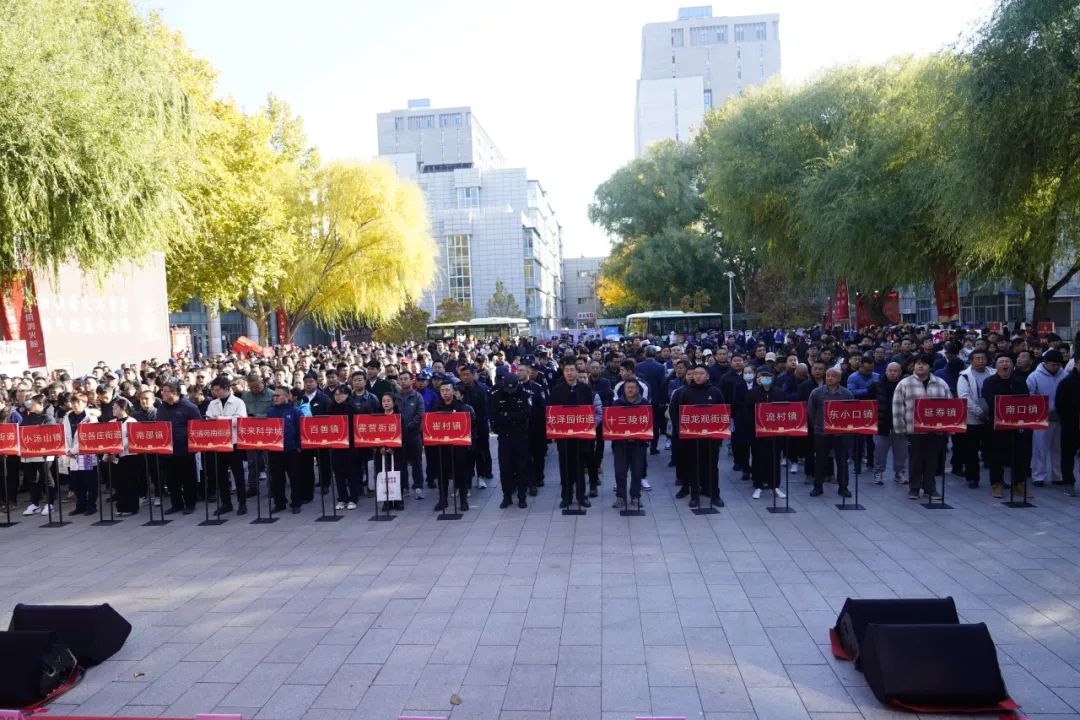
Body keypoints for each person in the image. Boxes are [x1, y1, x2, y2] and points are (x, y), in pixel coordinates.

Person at [892, 354, 951, 500]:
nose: (920, 366)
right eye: (917, 363)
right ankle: (914, 488)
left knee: (932, 461)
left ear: (930, 366)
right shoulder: (904, 383)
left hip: (935, 430)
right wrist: (900, 429)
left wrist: (949, 427)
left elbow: (949, 405)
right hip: (914, 430)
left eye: (924, 363)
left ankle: (930, 488)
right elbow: (898, 407)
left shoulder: (941, 383)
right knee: (915, 460)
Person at [669, 364, 726, 508]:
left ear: (707, 376)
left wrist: (720, 436)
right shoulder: (685, 392)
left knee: (712, 467)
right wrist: (680, 430)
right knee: (693, 466)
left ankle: (714, 494)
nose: (698, 376)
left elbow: (723, 413)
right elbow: (676, 413)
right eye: (695, 373)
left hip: (711, 438)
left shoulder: (716, 392)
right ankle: (694, 495)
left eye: (701, 373)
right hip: (691, 439)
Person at [983, 355, 1033, 499]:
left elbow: (1025, 398)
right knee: (996, 455)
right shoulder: (989, 382)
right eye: (1001, 362)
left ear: (1012, 365)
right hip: (997, 423)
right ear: (996, 366)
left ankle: (1018, 484)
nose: (1005, 364)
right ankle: (996, 484)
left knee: (1020, 454)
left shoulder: (1019, 381)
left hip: (1017, 423)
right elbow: (990, 400)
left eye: (1007, 361)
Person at [549, 362, 594, 509]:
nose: (569, 373)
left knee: (580, 466)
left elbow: (589, 412)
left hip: (581, 436)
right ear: (563, 373)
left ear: (577, 372)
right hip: (564, 436)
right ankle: (566, 497)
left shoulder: (585, 389)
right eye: (566, 370)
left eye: (572, 370)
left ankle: (581, 496)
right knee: (565, 466)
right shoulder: (557, 390)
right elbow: (552, 413)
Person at [204, 376, 249, 516]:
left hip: (234, 442)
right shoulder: (213, 403)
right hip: (218, 443)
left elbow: (240, 419)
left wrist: (221, 419)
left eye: (218, 390)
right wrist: (217, 421)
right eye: (214, 390)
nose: (216, 392)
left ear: (227, 389)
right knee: (221, 475)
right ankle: (226, 503)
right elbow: (208, 418)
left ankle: (242, 503)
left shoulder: (238, 402)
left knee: (238, 474)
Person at [157, 380, 203, 514]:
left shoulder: (189, 407)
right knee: (171, 479)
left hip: (185, 449)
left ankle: (190, 503)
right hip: (167, 449)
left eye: (165, 391)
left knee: (188, 479)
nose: (162, 394)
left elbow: (197, 427)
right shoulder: (162, 408)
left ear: (174, 392)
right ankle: (176, 504)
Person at [808, 368, 854, 498]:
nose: (830, 378)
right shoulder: (817, 392)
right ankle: (818, 487)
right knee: (820, 461)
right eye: (828, 375)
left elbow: (851, 411)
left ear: (839, 378)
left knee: (842, 462)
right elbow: (811, 411)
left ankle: (843, 487)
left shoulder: (847, 394)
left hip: (841, 433)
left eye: (833, 376)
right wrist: (818, 426)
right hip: (822, 433)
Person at [429, 381, 474, 512]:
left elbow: (469, 425)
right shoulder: (436, 407)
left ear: (453, 391)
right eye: (442, 390)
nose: (445, 393)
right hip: (441, 446)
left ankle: (463, 500)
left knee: (461, 473)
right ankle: (443, 500)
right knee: (442, 474)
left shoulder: (461, 407)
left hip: (458, 446)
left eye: (448, 390)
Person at [490, 374, 531, 509]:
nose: (510, 392)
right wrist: (512, 417)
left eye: (512, 389)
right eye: (507, 389)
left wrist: (507, 415)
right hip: (504, 437)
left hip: (520, 436)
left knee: (521, 468)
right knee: (505, 468)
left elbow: (526, 414)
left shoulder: (525, 394)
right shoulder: (496, 395)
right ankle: (506, 496)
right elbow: (495, 416)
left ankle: (522, 496)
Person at [746, 368, 787, 500]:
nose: (765, 380)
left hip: (776, 433)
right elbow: (747, 412)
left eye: (768, 377)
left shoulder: (780, 393)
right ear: (758, 379)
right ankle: (758, 485)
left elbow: (784, 411)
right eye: (762, 377)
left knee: (775, 459)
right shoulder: (752, 393)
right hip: (758, 433)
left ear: (773, 379)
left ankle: (775, 486)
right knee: (758, 458)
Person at [1027, 349, 1065, 487]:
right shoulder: (1034, 376)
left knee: (1058, 448)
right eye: (1052, 365)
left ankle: (1058, 475)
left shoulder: (1064, 375)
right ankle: (1038, 476)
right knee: (1039, 448)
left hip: (1060, 417)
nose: (1055, 367)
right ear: (1045, 363)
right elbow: (1029, 395)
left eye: (1058, 365)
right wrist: (1042, 409)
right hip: (1041, 417)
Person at [610, 377, 649, 509]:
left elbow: (649, 423)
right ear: (624, 389)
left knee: (637, 472)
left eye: (633, 387)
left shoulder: (644, 403)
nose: (630, 390)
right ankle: (620, 497)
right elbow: (612, 423)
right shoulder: (617, 404)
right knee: (620, 471)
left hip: (639, 444)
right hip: (621, 444)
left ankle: (635, 497)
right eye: (628, 387)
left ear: (637, 389)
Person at [957, 349, 991, 488]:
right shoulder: (964, 376)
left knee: (994, 449)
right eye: (977, 358)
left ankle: (998, 480)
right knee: (971, 450)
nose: (981, 361)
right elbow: (964, 397)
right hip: (972, 418)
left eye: (983, 358)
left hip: (992, 417)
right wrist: (979, 412)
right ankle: (972, 477)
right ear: (971, 361)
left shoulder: (993, 372)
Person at [267, 386, 304, 513]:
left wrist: (299, 446)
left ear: (287, 396)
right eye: (274, 395)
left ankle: (296, 503)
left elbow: (301, 430)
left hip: (292, 450)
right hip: (275, 450)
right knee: (277, 478)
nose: (275, 398)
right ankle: (279, 503)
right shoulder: (271, 412)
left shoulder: (296, 411)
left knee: (294, 477)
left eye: (278, 395)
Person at [61, 391, 99, 515]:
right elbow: (64, 434)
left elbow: (87, 437)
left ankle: (91, 505)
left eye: (78, 402)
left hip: (85, 453)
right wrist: (67, 450)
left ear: (85, 403)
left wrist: (72, 450)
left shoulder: (90, 418)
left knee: (89, 481)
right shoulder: (67, 417)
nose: (75, 405)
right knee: (76, 482)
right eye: (73, 402)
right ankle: (80, 505)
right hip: (71, 455)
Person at [872, 362, 908, 485]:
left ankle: (899, 473)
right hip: (882, 425)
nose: (892, 373)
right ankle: (878, 473)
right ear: (886, 371)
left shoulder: (905, 385)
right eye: (890, 370)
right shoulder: (876, 386)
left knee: (901, 452)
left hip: (901, 425)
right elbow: (870, 404)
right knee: (880, 452)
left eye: (895, 370)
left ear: (900, 372)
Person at [457, 365, 493, 486]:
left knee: (481, 451)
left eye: (467, 374)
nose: (465, 377)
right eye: (463, 375)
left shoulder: (481, 389)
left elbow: (486, 408)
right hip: (463, 427)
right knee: (466, 454)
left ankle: (483, 474)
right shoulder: (457, 388)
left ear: (473, 375)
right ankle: (468, 476)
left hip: (480, 425)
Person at [241, 372, 274, 500]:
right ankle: (253, 487)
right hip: (250, 432)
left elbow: (274, 412)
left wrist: (259, 417)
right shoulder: (245, 396)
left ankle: (272, 487)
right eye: (251, 387)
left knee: (269, 461)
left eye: (256, 386)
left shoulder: (271, 394)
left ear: (262, 383)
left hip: (267, 430)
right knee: (252, 462)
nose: (254, 389)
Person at [19, 395, 53, 516]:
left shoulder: (48, 418)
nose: (30, 405)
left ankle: (50, 503)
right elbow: (21, 431)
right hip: (29, 453)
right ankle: (35, 504)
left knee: (46, 478)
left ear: (41, 405)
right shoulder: (27, 418)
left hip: (44, 453)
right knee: (32, 479)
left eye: (33, 403)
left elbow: (50, 434)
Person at [106, 397, 141, 516]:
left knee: (129, 482)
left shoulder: (132, 421)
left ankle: (131, 507)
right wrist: (109, 452)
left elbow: (129, 439)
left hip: (129, 456)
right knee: (118, 483)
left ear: (123, 408)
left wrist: (116, 450)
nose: (113, 409)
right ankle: (121, 507)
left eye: (115, 407)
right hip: (115, 457)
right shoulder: (111, 422)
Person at [327, 385, 360, 510]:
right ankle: (342, 498)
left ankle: (353, 498)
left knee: (351, 473)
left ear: (347, 395)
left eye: (341, 394)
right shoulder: (331, 408)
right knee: (338, 474)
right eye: (336, 394)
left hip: (350, 446)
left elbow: (356, 427)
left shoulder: (352, 408)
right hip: (336, 446)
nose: (338, 397)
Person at [397, 370, 426, 500]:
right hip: (399, 435)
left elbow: (420, 414)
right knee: (401, 462)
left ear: (411, 380)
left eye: (405, 378)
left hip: (414, 434)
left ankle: (418, 486)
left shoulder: (417, 396)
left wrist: (409, 426)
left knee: (417, 462)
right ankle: (404, 487)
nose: (403, 381)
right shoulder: (396, 397)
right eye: (401, 379)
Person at [374, 392, 405, 512]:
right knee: (383, 475)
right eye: (384, 401)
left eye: (388, 401)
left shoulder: (399, 417)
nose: (386, 403)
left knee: (397, 475)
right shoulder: (378, 417)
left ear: (394, 402)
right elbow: (374, 434)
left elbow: (404, 435)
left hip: (396, 452)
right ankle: (386, 501)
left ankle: (398, 500)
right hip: (381, 452)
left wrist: (393, 447)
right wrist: (380, 448)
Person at [1055, 361, 1080, 497]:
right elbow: (1060, 404)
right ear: (1077, 363)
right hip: (1071, 425)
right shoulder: (1067, 382)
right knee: (1068, 455)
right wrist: (1067, 421)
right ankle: (1069, 482)